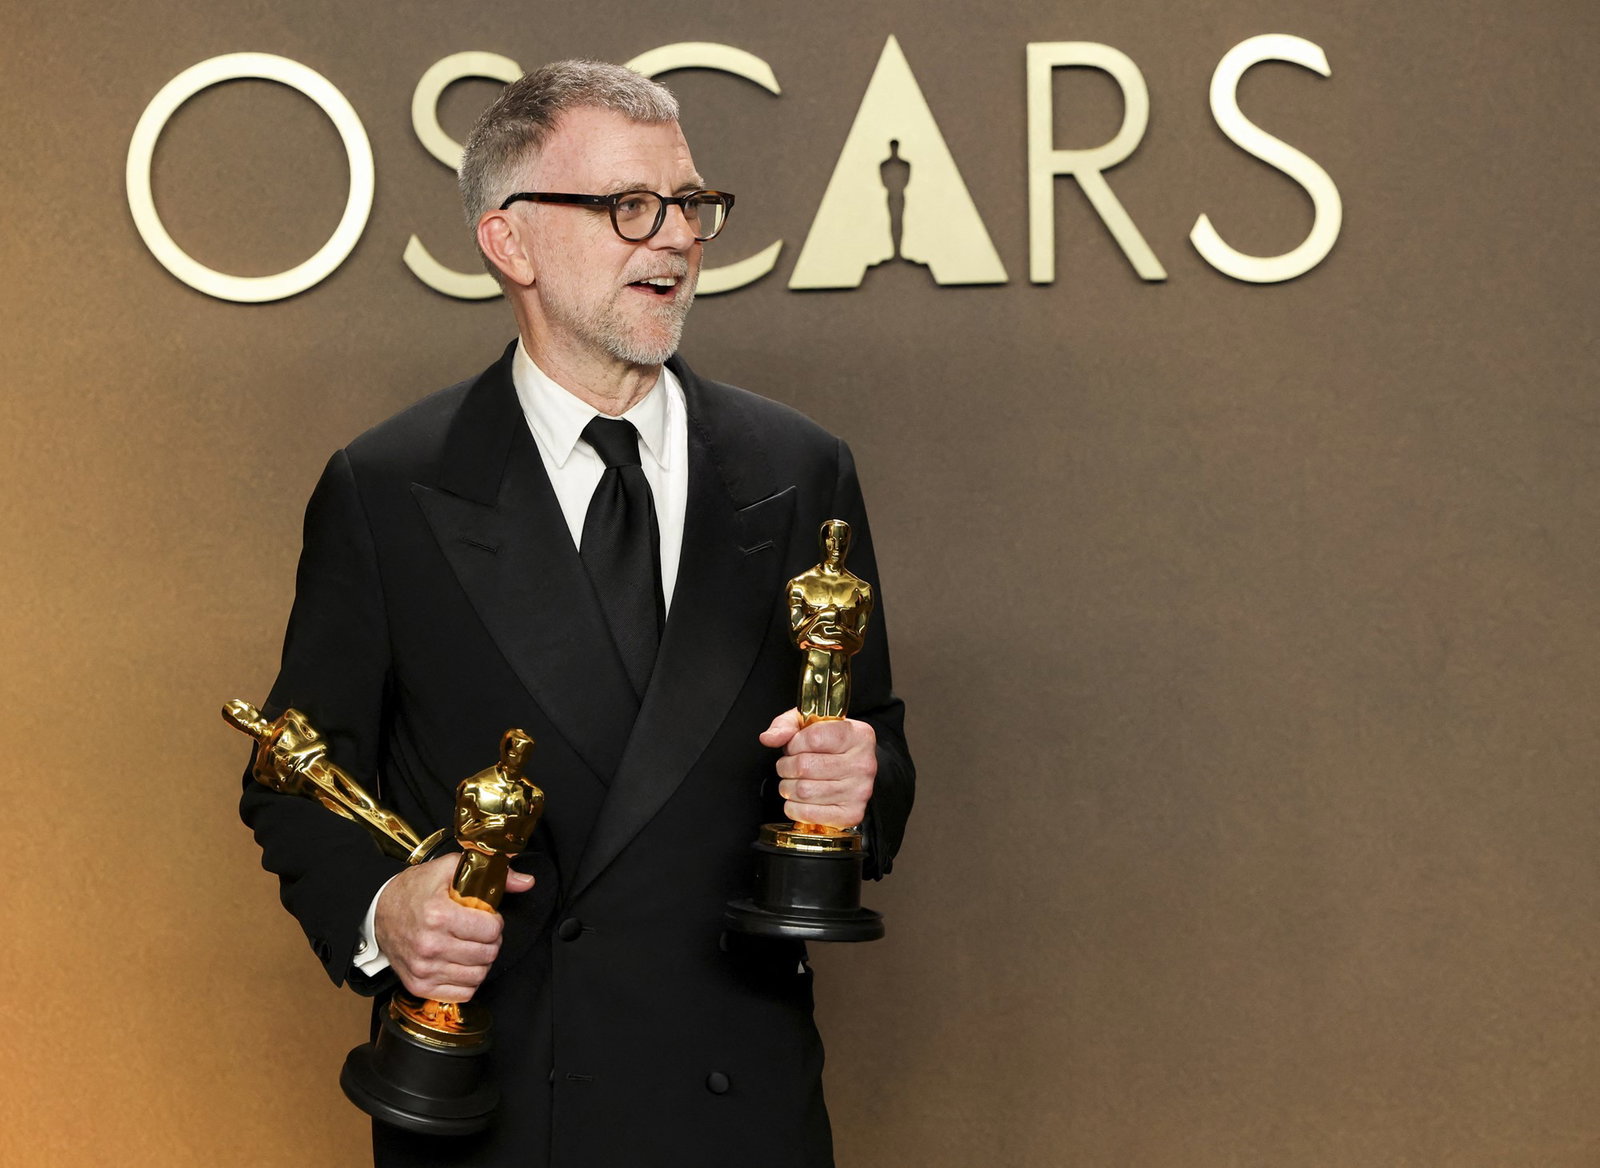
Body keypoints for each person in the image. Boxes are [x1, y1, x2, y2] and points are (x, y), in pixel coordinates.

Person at [240, 59, 914, 1168]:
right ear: (509, 243)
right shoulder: (388, 487)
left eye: (689, 205)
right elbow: (292, 771)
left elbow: (872, 740)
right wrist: (385, 916)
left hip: (738, 1107)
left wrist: (860, 780)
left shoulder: (799, 469)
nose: (676, 239)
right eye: (626, 207)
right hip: (504, 1109)